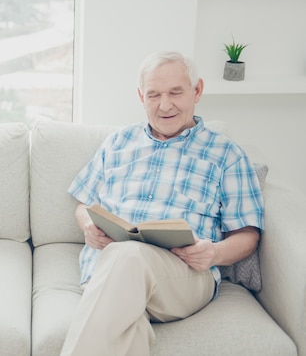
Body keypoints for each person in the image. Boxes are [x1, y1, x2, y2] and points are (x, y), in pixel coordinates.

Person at [60, 51, 264, 356]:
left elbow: (249, 235)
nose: (164, 105)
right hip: (107, 271)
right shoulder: (118, 142)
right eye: (154, 94)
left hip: (183, 276)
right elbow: (83, 204)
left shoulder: (226, 155)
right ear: (141, 96)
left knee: (127, 257)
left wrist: (214, 253)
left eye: (175, 92)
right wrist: (88, 224)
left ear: (197, 91)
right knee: (127, 323)